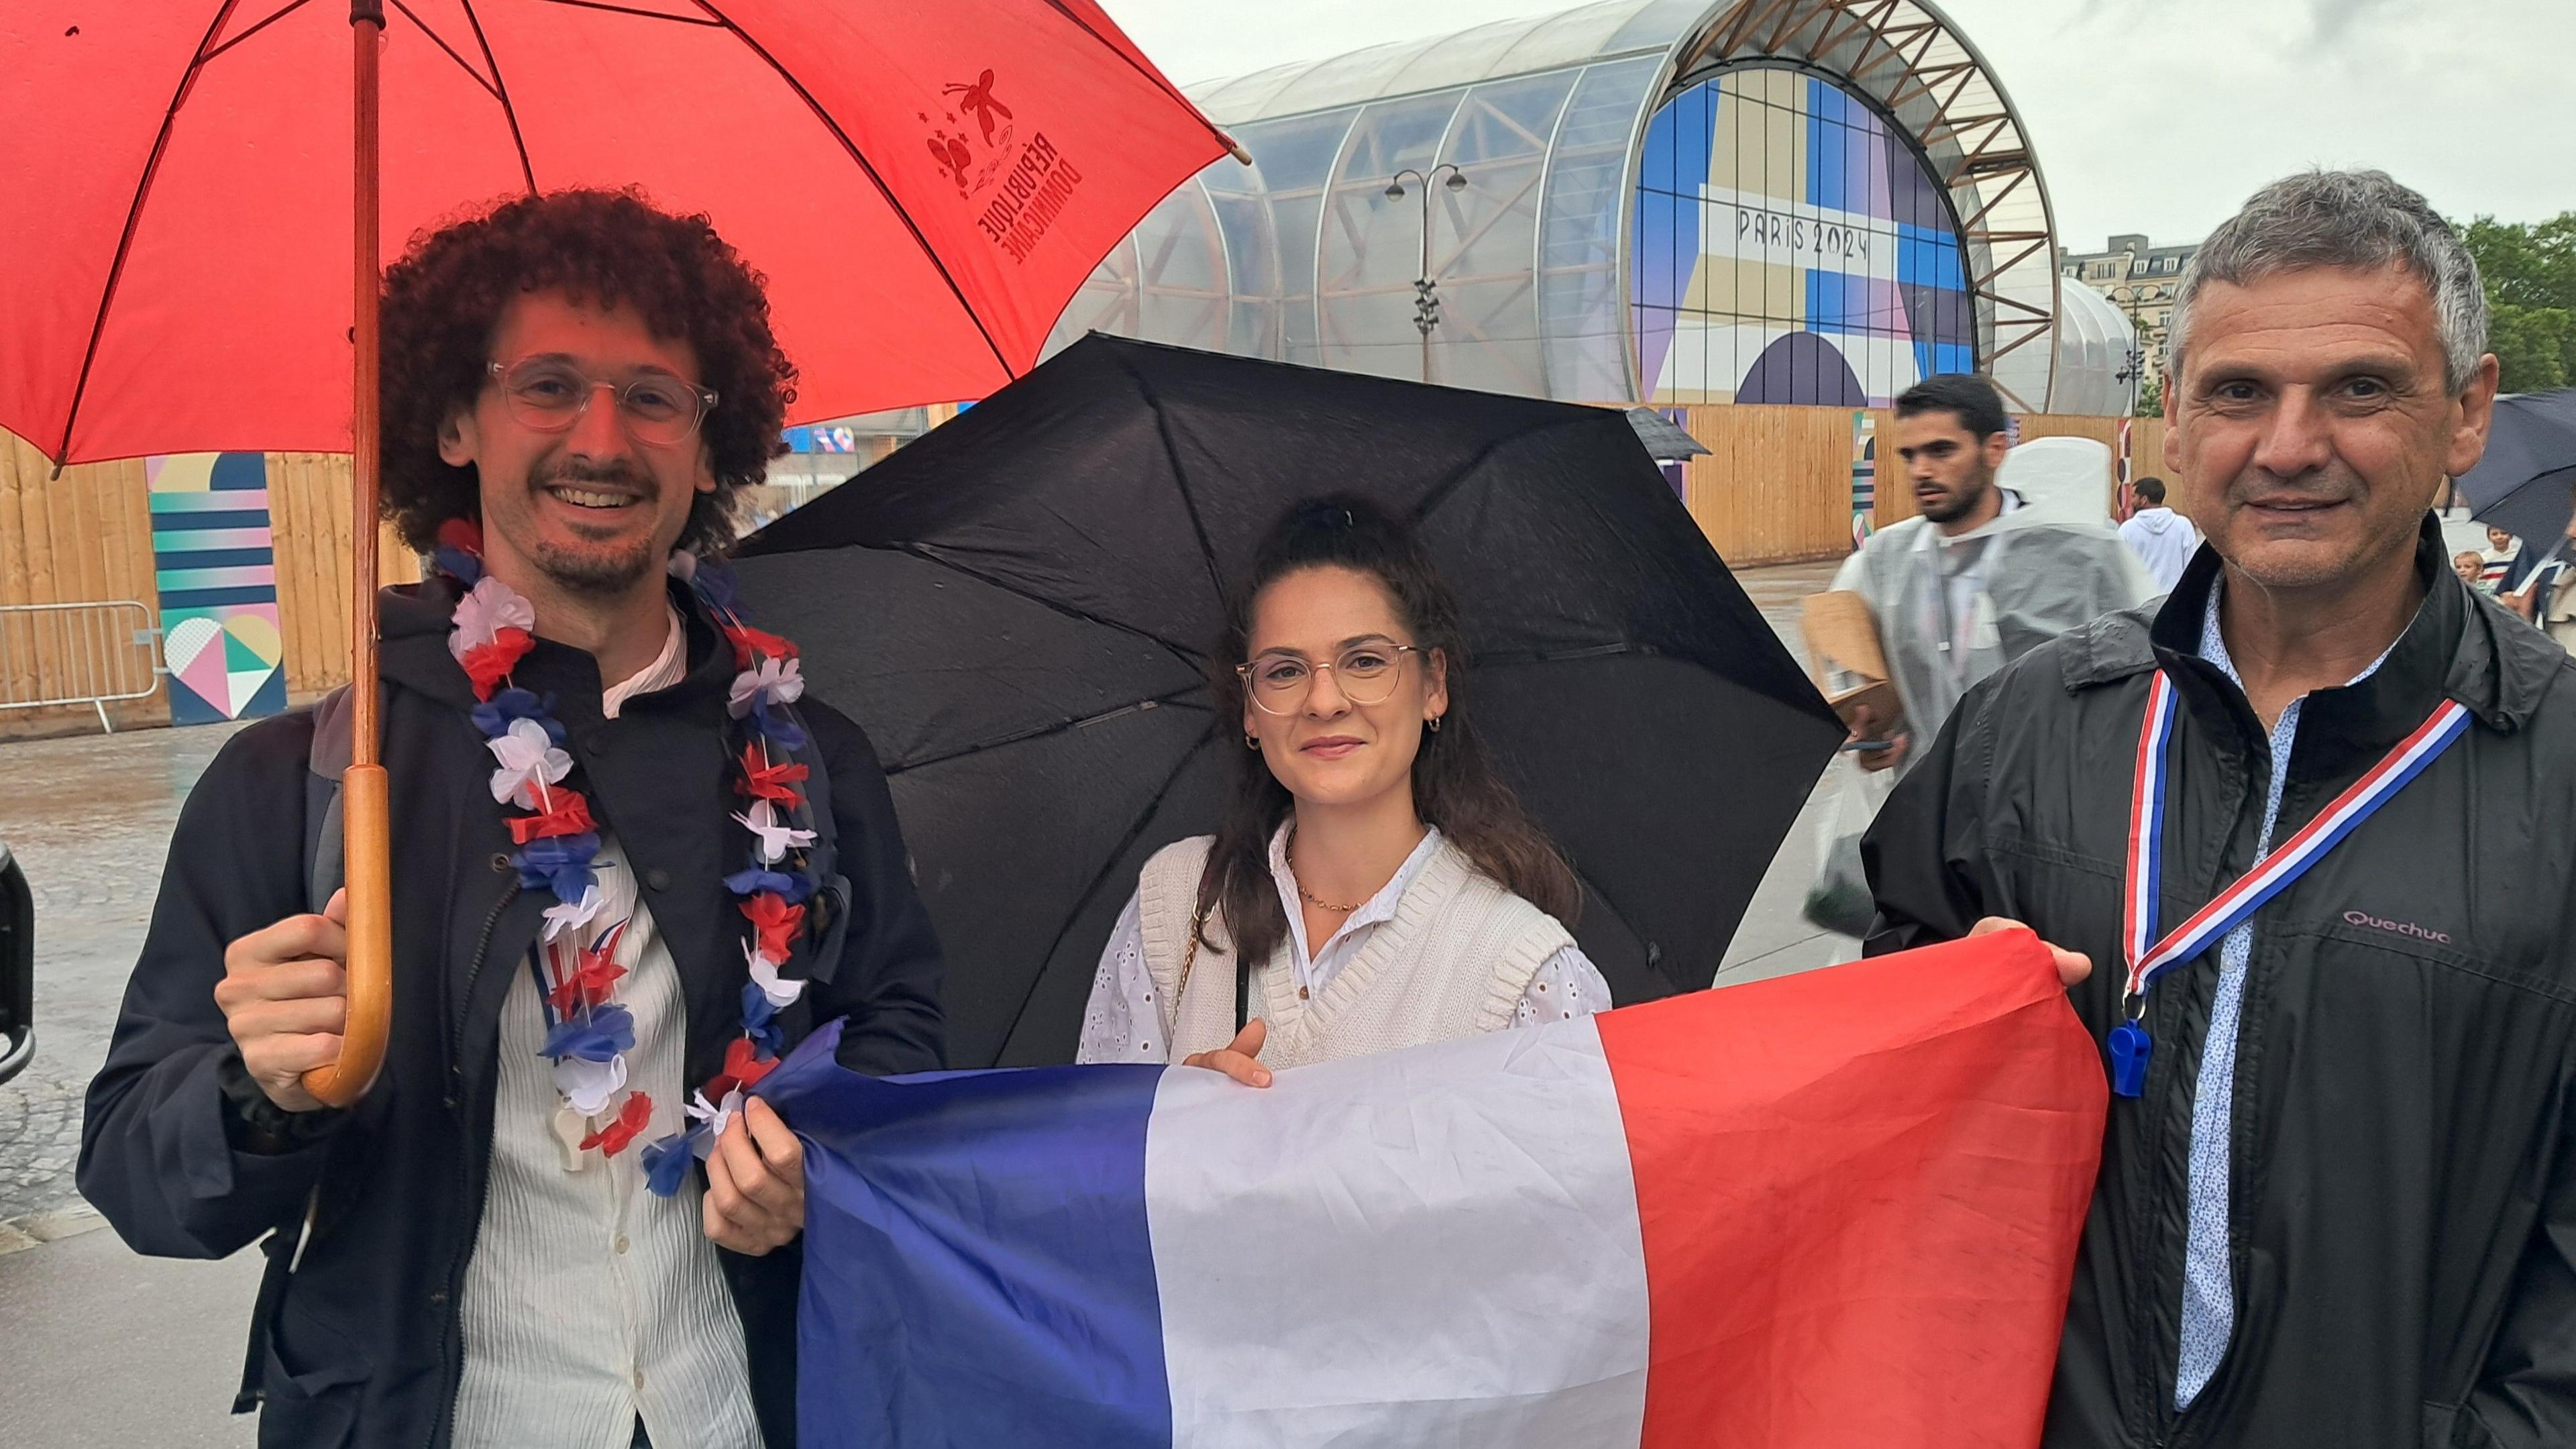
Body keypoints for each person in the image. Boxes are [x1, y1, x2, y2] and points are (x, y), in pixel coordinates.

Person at [79, 191, 945, 1448]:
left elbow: (898, 1024)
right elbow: (142, 1182)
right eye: (547, 385)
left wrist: (820, 1164)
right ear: (450, 420)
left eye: (654, 397)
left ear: (710, 448)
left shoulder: (808, 762)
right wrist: (258, 1088)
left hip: (746, 1411)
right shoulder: (302, 782)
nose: (602, 438)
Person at [1863, 170, 2576, 1446]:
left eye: (2361, 388)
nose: (2289, 445)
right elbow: (1880, 1066)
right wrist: (1942, 1032)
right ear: (2178, 422)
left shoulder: (2558, 769)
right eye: (2238, 392)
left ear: (2466, 413)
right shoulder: (2027, 727)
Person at [1075, 496, 1611, 1083]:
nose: (1325, 701)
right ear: (1250, 710)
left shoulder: (1522, 973)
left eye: (1364, 661)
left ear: (1433, 684)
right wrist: (1172, 1116)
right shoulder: (1176, 903)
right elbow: (1093, 1158)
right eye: (1284, 670)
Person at [1833, 374, 2151, 776]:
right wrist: (1874, 733)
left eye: (1941, 451)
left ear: (1995, 449)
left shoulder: (2084, 557)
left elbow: (2142, 693)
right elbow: (1863, 681)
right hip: (1927, 813)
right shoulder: (1885, 561)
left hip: (2051, 811)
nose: (1921, 471)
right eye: (1910, 455)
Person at [2116, 475, 2201, 592]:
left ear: (2144, 500)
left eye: (2134, 496)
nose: (2131, 501)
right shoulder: (2183, 526)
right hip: (2173, 599)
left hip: (2140, 600)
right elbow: (2192, 566)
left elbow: (2120, 569)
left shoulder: (2127, 529)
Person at [2479, 523, 2521, 592]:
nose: (2499, 537)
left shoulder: (2518, 555)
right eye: (2495, 534)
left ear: (2511, 536)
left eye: (2504, 533)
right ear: (2489, 537)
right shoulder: (2484, 558)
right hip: (2489, 594)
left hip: (2511, 593)